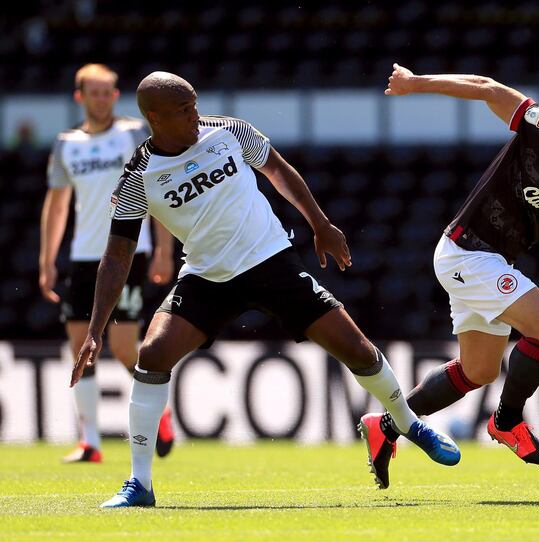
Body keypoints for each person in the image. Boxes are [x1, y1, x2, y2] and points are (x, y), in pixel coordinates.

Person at [69, 71, 460, 508]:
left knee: (358, 349)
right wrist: (95, 329)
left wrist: (320, 223)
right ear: (155, 118)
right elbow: (118, 255)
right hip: (207, 277)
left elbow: (277, 169)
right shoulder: (139, 176)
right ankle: (139, 483)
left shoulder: (228, 132)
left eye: (194, 104)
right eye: (183, 111)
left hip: (270, 261)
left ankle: (406, 422)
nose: (194, 116)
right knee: (153, 354)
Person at [359, 63, 539, 489]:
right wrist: (416, 84)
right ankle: (507, 422)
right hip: (467, 252)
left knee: (479, 370)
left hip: (488, 260)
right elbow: (488, 88)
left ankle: (386, 426)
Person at [39, 63, 176, 463]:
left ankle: (160, 412)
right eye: (93, 92)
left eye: (108, 92)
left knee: (120, 346)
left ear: (116, 96)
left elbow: (158, 190)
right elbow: (57, 203)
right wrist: (47, 260)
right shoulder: (67, 144)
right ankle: (92, 441)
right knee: (79, 345)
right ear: (79, 97)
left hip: (130, 251)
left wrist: (165, 249)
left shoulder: (134, 133)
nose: (101, 99)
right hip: (84, 256)